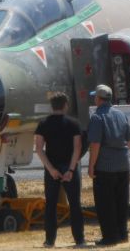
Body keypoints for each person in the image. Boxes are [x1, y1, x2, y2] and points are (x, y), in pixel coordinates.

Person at [34, 92, 85, 248]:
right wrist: (70, 169)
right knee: (75, 204)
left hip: (52, 169)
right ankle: (79, 240)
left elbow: (39, 149)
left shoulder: (43, 124)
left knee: (51, 205)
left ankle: (50, 240)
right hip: (69, 168)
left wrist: (51, 169)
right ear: (66, 105)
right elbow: (77, 148)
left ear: (52, 106)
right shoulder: (74, 124)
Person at [87, 84, 130, 246]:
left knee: (105, 204)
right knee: (121, 202)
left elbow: (95, 144)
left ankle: (110, 237)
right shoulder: (121, 115)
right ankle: (122, 234)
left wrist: (91, 165)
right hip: (123, 165)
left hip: (105, 167)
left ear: (98, 99)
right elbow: (129, 140)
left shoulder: (97, 117)